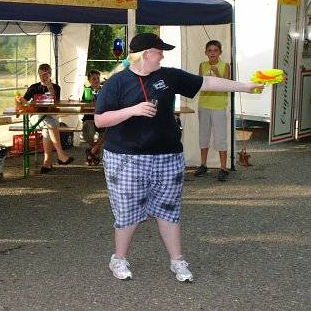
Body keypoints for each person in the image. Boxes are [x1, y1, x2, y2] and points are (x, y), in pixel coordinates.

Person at [94, 33, 263, 282]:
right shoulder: (117, 82)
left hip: (168, 157)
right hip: (126, 158)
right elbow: (100, 120)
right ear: (146, 55)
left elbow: (207, 82)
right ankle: (118, 259)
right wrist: (133, 110)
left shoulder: (169, 76)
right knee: (127, 214)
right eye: (159, 51)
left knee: (168, 211)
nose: (162, 56)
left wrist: (245, 86)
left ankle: (177, 261)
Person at [16, 63, 74, 174]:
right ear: (38, 74)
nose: (43, 76)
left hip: (50, 116)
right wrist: (19, 100)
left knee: (48, 126)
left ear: (50, 74)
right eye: (41, 74)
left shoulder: (56, 88)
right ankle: (60, 154)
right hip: (35, 117)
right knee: (50, 123)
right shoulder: (34, 87)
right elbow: (23, 103)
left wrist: (51, 91)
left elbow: (53, 108)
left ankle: (47, 162)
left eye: (46, 74)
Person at [194, 40, 232, 181]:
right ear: (205, 52)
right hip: (204, 104)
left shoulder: (225, 65)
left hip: (218, 106)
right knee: (203, 136)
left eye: (215, 50)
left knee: (220, 137)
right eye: (209, 50)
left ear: (220, 52)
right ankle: (203, 165)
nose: (212, 53)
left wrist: (217, 74)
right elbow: (199, 84)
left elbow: (227, 85)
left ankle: (223, 168)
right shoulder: (202, 65)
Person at [81, 69, 106, 165]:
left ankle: (91, 151)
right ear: (89, 80)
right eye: (93, 79)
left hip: (102, 117)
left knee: (106, 132)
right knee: (88, 132)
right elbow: (82, 107)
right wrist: (88, 102)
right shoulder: (87, 91)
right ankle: (95, 151)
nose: (96, 80)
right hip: (89, 118)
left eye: (98, 78)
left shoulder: (104, 90)